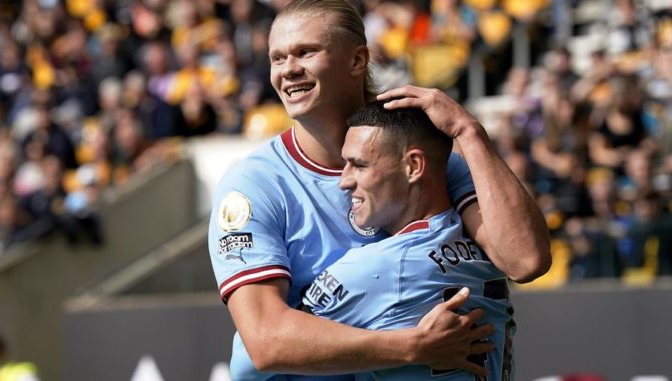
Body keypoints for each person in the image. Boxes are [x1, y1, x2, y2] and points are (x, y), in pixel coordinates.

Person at [207, 0, 551, 380]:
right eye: (277, 58)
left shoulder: (426, 158)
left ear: (357, 61)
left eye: (306, 52)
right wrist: (412, 347)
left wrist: (468, 132)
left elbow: (525, 261)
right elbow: (265, 342)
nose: (289, 69)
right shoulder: (254, 186)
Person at [301, 100, 515, 380]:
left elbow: (257, 355)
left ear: (414, 166)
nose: (344, 180)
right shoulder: (488, 246)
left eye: (359, 165)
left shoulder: (377, 267)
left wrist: (411, 347)